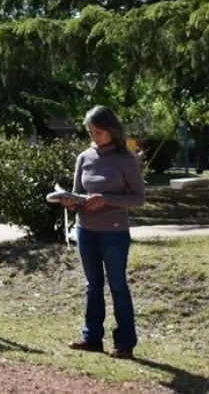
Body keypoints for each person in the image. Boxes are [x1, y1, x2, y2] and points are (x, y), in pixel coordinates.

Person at [58, 105, 146, 359]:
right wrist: (70, 201)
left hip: (114, 232)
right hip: (86, 230)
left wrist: (106, 199)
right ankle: (92, 338)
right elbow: (78, 192)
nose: (93, 137)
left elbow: (139, 199)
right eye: (90, 132)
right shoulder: (84, 157)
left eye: (98, 132)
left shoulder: (125, 159)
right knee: (92, 285)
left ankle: (125, 343)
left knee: (117, 285)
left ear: (111, 131)